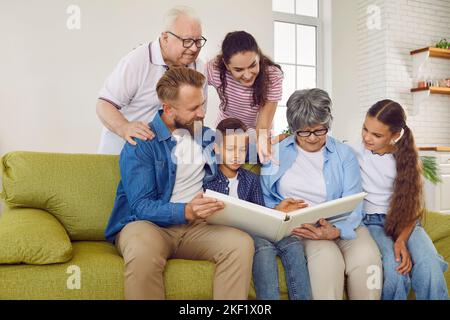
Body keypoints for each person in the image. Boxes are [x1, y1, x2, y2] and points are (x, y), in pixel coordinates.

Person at [104, 67, 254, 300]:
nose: (202, 113)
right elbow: (141, 206)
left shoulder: (206, 137)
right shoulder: (142, 142)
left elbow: (242, 147)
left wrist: (279, 141)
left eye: (203, 104)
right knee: (142, 250)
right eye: (193, 108)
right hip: (148, 226)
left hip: (196, 228)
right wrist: (186, 210)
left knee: (241, 244)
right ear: (168, 109)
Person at [261, 88, 382, 300]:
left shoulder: (345, 155)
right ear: (293, 129)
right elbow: (265, 200)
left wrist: (336, 230)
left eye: (319, 130)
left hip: (344, 223)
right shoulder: (276, 154)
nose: (312, 138)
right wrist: (277, 211)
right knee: (327, 259)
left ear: (328, 124)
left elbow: (354, 203)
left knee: (368, 259)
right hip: (303, 227)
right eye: (304, 132)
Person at [204, 118, 311, 300]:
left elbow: (261, 213)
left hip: (256, 230)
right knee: (263, 248)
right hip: (231, 235)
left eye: (242, 149)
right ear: (217, 148)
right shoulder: (209, 180)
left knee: (293, 244)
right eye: (230, 149)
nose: (237, 155)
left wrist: (277, 210)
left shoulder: (250, 179)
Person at [352, 99, 449, 300]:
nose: (367, 138)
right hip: (371, 222)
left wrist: (401, 241)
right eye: (365, 129)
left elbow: (413, 207)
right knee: (395, 268)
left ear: (395, 135)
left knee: (429, 264)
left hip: (406, 221)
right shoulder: (355, 151)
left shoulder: (407, 159)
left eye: (377, 135)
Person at [96, 6, 208, 154]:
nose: (194, 48)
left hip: (166, 158)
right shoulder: (137, 60)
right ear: (165, 37)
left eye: (198, 41)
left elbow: (197, 116)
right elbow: (104, 104)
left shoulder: (199, 67)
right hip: (122, 151)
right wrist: (124, 127)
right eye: (187, 41)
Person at [207, 31, 284, 163]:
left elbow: (264, 122)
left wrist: (262, 142)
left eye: (253, 65)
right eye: (238, 70)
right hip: (227, 134)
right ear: (226, 65)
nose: (248, 75)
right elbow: (191, 85)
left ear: (258, 56)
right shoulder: (214, 69)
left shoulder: (272, 75)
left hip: (256, 135)